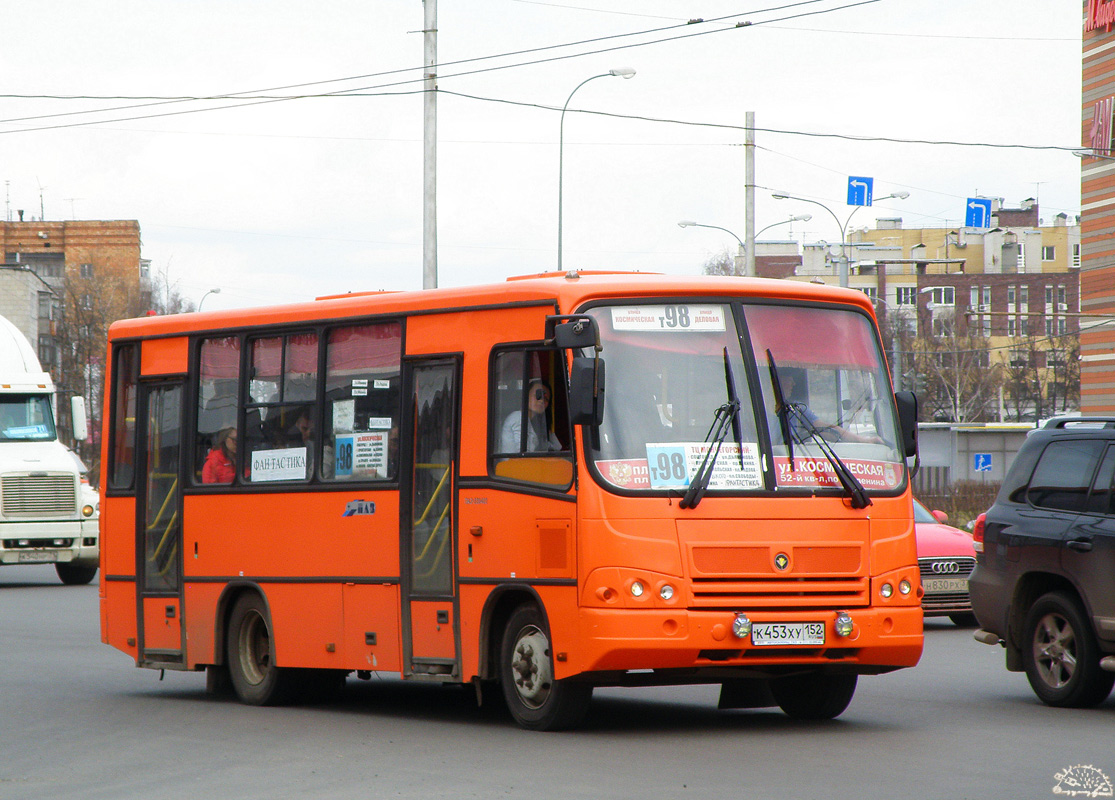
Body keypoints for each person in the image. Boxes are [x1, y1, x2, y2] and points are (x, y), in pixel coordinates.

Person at [779, 372, 882, 444]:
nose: (793, 383)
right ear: (776, 380)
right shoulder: (763, 413)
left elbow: (825, 429)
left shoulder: (796, 409)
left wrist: (864, 440)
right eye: (789, 379)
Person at [501, 379, 561, 453]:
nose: (542, 401)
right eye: (538, 396)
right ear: (526, 395)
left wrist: (548, 429)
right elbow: (523, 453)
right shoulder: (519, 417)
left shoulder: (534, 423)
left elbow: (557, 448)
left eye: (546, 399)